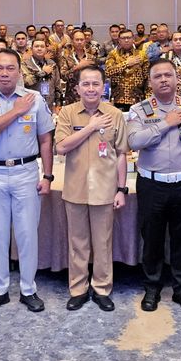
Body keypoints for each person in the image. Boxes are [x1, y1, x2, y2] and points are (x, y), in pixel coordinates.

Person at [0, 49, 55, 313]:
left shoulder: (36, 99)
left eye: (10, 68)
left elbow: (45, 139)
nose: (5, 73)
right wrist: (17, 112)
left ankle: (29, 289)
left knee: (27, 233)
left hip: (26, 173)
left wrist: (48, 176)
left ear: (20, 72)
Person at [127, 59, 181, 312]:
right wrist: (167, 123)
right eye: (158, 76)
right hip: (152, 184)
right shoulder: (139, 110)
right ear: (150, 82)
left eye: (168, 75)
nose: (164, 80)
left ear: (177, 79)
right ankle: (152, 288)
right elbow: (134, 141)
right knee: (151, 239)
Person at [55, 66, 128, 312]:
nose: (91, 88)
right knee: (77, 243)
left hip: (105, 190)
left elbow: (121, 154)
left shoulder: (115, 114)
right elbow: (62, 147)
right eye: (85, 84)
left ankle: (101, 288)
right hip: (75, 190)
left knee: (103, 242)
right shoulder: (67, 113)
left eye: (96, 84)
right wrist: (90, 127)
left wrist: (121, 189)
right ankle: (78, 289)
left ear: (103, 87)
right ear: (77, 88)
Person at [105, 29, 150, 111]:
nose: (126, 40)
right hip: (118, 98)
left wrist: (148, 98)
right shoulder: (113, 54)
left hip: (138, 98)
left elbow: (147, 77)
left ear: (133, 39)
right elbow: (108, 72)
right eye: (123, 38)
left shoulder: (142, 54)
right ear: (119, 40)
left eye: (129, 37)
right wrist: (126, 63)